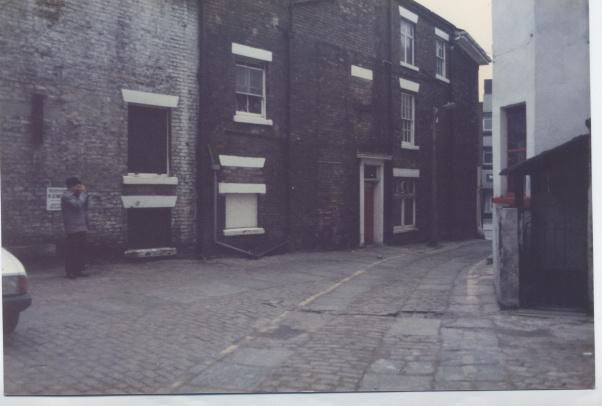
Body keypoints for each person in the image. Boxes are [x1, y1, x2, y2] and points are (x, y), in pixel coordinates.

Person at [61, 177, 90, 279]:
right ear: (72, 186)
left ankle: (79, 270)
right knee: (72, 250)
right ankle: (70, 271)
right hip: (72, 227)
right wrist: (83, 194)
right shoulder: (66, 196)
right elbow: (77, 205)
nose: (79, 188)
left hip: (82, 226)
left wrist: (83, 194)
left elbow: (85, 207)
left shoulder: (77, 195)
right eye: (77, 186)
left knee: (81, 249)